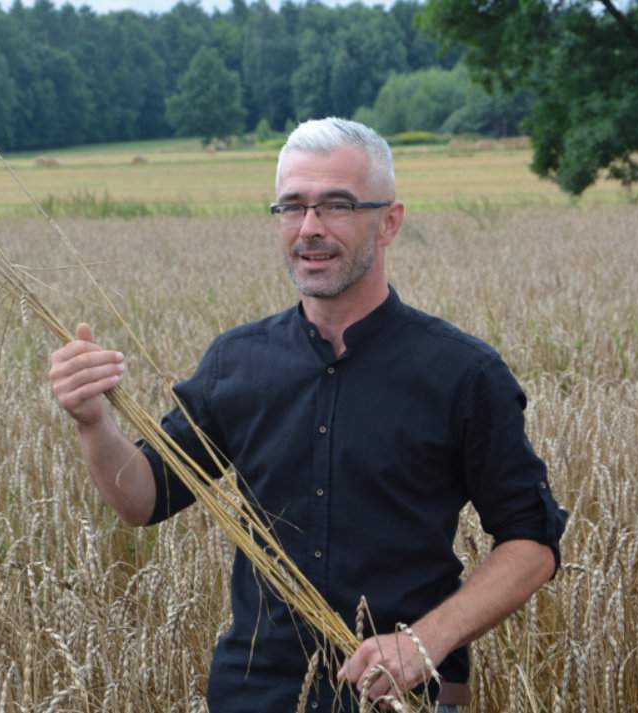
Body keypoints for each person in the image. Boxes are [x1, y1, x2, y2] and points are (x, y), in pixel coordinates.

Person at [48, 117, 568, 712]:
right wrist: (93, 422)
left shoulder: (464, 374)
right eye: (292, 207)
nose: (310, 229)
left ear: (389, 221)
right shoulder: (235, 362)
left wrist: (423, 643)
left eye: (337, 206)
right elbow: (143, 500)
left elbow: (532, 542)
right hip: (255, 693)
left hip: (403, 697)